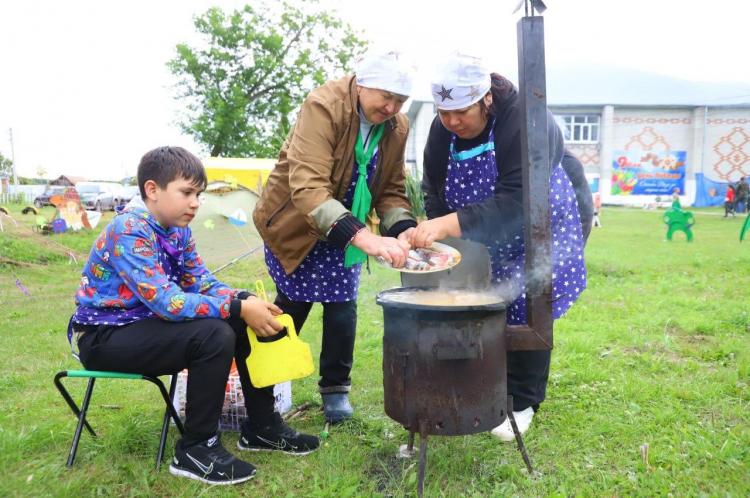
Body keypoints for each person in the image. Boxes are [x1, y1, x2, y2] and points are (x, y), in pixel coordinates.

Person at [68, 147, 319, 486]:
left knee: (240, 318)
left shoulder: (177, 229)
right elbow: (166, 302)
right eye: (187, 193)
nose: (196, 203)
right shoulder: (128, 229)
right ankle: (196, 448)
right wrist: (236, 307)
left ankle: (262, 427)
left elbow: (200, 281)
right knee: (214, 334)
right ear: (152, 190)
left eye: (198, 194)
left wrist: (244, 300)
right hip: (105, 338)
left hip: (145, 327)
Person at [409, 54, 587, 442]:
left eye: (462, 112)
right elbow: (433, 187)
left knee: (530, 299)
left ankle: (523, 402)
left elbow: (519, 199)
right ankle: (487, 383)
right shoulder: (443, 130)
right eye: (444, 113)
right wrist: (443, 237)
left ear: (486, 99)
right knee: (484, 301)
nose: (452, 121)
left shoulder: (523, 120)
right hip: (480, 232)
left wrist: (448, 224)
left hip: (538, 223)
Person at [252, 51, 417, 423]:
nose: (392, 108)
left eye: (400, 100)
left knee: (343, 306)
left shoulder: (397, 127)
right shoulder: (323, 107)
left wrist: (403, 228)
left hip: (348, 228)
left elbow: (391, 188)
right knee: (293, 303)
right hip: (298, 221)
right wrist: (364, 237)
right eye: (386, 97)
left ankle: (335, 388)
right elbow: (308, 187)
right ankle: (266, 384)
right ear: (362, 84)